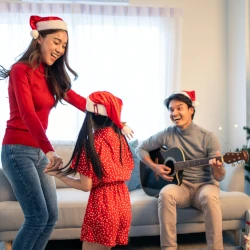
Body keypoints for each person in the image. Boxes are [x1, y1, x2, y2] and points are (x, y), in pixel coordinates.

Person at [0, 15, 133, 250]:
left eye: (64, 45)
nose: (60, 49)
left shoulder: (51, 74)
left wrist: (117, 121)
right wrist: (50, 151)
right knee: (36, 217)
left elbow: (83, 103)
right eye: (56, 42)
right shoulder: (21, 71)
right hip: (17, 151)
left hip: (38, 152)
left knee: (51, 217)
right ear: (39, 38)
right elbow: (28, 115)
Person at [135, 90, 226, 250]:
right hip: (181, 187)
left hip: (204, 186)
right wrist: (155, 166)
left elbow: (218, 177)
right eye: (171, 109)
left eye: (179, 108)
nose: (174, 113)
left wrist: (217, 169)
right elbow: (140, 149)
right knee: (165, 193)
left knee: (210, 197)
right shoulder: (167, 134)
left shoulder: (208, 137)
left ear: (191, 110)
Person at [44, 91, 134, 250]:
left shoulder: (92, 144)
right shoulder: (121, 139)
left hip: (103, 206)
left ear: (90, 116)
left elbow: (86, 186)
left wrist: (59, 174)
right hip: (122, 203)